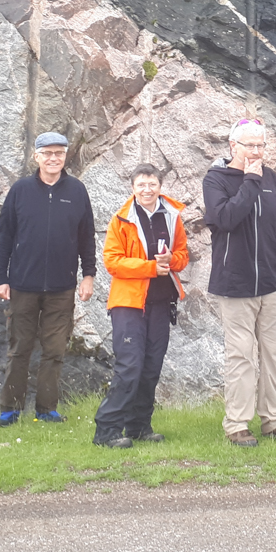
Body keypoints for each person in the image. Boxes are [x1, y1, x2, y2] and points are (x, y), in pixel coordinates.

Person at [202, 119, 276, 446]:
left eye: (261, 145)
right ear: (233, 146)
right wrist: (249, 180)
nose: (257, 151)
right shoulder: (216, 179)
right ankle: (237, 425)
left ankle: (275, 420)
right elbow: (226, 218)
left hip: (275, 285)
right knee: (241, 357)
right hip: (235, 287)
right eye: (250, 145)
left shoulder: (272, 178)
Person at [0, 132, 97, 427]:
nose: (53, 159)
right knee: (19, 349)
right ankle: (9, 410)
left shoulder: (76, 191)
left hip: (63, 287)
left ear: (65, 157)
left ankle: (46, 409)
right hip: (23, 285)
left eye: (59, 154)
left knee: (55, 350)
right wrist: (1, 278)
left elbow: (87, 236)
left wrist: (88, 275)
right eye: (47, 153)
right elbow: (4, 237)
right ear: (36, 156)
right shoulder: (20, 190)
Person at [92, 164, 190, 448]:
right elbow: (112, 261)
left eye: (152, 184)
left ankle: (139, 426)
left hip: (161, 303)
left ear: (160, 186)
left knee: (151, 367)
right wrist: (149, 267)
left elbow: (182, 256)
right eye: (141, 185)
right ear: (132, 188)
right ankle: (107, 432)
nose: (147, 190)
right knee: (129, 366)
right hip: (129, 304)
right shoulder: (120, 220)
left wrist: (171, 260)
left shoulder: (172, 217)